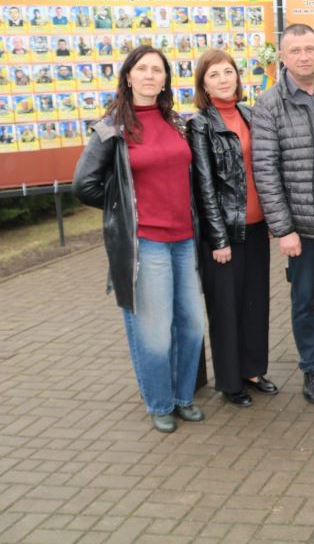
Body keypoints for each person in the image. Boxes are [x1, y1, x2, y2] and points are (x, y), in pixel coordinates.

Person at [71, 45, 206, 434]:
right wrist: (127, 209)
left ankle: (183, 397)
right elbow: (84, 185)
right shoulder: (112, 127)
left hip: (185, 240)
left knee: (192, 325)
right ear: (128, 76)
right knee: (154, 330)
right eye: (142, 69)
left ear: (165, 80)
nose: (150, 75)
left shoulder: (176, 122)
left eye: (157, 70)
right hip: (146, 243)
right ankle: (160, 403)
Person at [252, 23, 314, 404]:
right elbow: (265, 169)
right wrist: (283, 228)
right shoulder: (269, 104)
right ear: (282, 56)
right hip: (300, 226)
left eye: (309, 49)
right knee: (303, 299)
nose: (304, 57)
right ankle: (311, 367)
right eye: (295, 51)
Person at [188, 49, 277, 408]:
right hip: (224, 234)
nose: (223, 79)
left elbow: (263, 170)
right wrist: (218, 239)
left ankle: (252, 370)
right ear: (204, 86)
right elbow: (204, 186)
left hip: (256, 228)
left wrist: (271, 218)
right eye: (214, 75)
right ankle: (229, 380)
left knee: (255, 303)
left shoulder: (249, 114)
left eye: (228, 72)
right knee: (226, 309)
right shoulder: (200, 125)